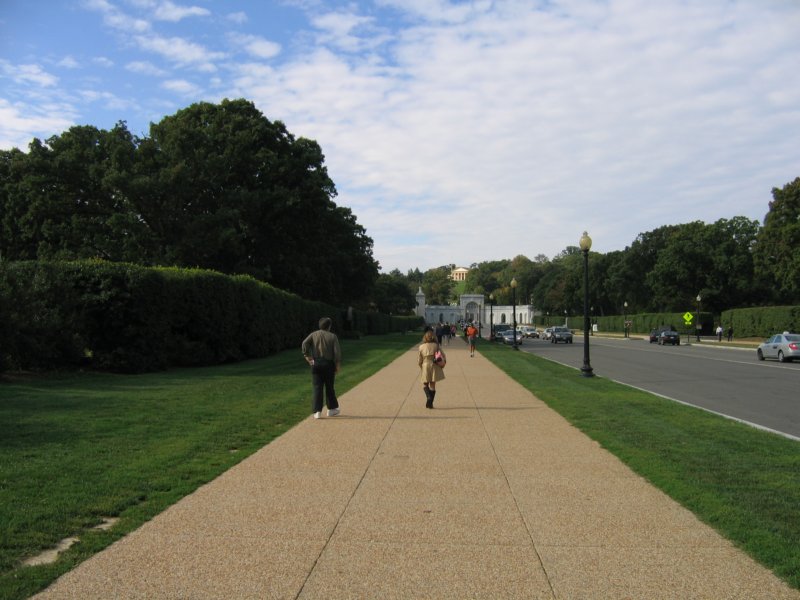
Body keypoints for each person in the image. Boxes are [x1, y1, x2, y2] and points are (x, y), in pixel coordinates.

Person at [301, 317, 342, 419]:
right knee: (329, 387)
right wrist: (337, 365)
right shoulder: (333, 336)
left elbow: (304, 343)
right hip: (328, 364)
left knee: (317, 387)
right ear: (329, 326)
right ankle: (331, 409)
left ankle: (317, 412)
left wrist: (307, 356)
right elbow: (337, 352)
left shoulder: (313, 334)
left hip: (316, 363)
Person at [418, 330, 445, 409]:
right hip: (434, 365)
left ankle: (428, 397)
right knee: (432, 384)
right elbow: (443, 355)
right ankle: (430, 403)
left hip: (425, 365)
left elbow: (419, 360)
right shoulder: (436, 346)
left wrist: (421, 367)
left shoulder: (421, 347)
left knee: (425, 383)